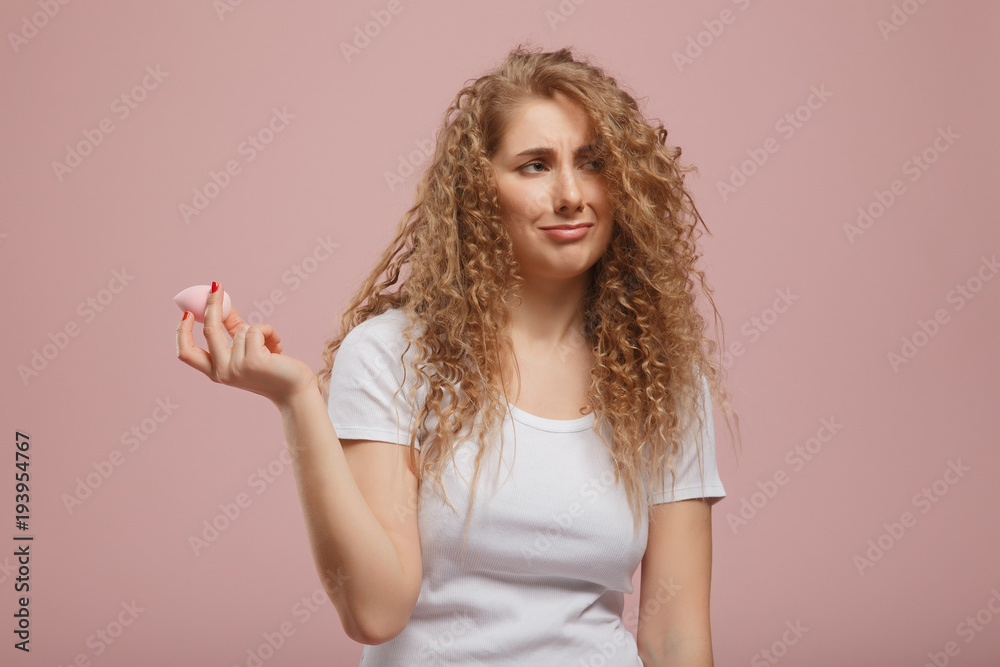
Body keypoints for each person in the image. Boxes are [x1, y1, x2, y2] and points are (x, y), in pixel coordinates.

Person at [176, 44, 740, 667]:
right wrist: (297, 401)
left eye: (593, 162)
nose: (571, 193)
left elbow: (675, 637)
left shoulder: (663, 382)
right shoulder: (394, 356)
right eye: (534, 165)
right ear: (479, 191)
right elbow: (375, 610)